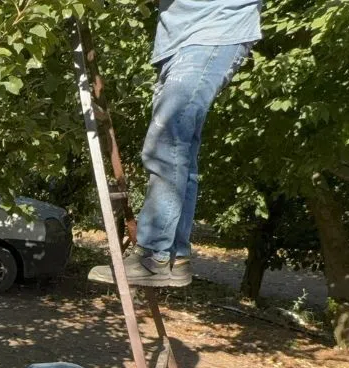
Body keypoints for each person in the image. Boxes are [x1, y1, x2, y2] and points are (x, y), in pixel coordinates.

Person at [90, 0, 262, 287]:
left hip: (210, 32)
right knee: (180, 151)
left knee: (165, 143)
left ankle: (152, 257)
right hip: (184, 41)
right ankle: (174, 257)